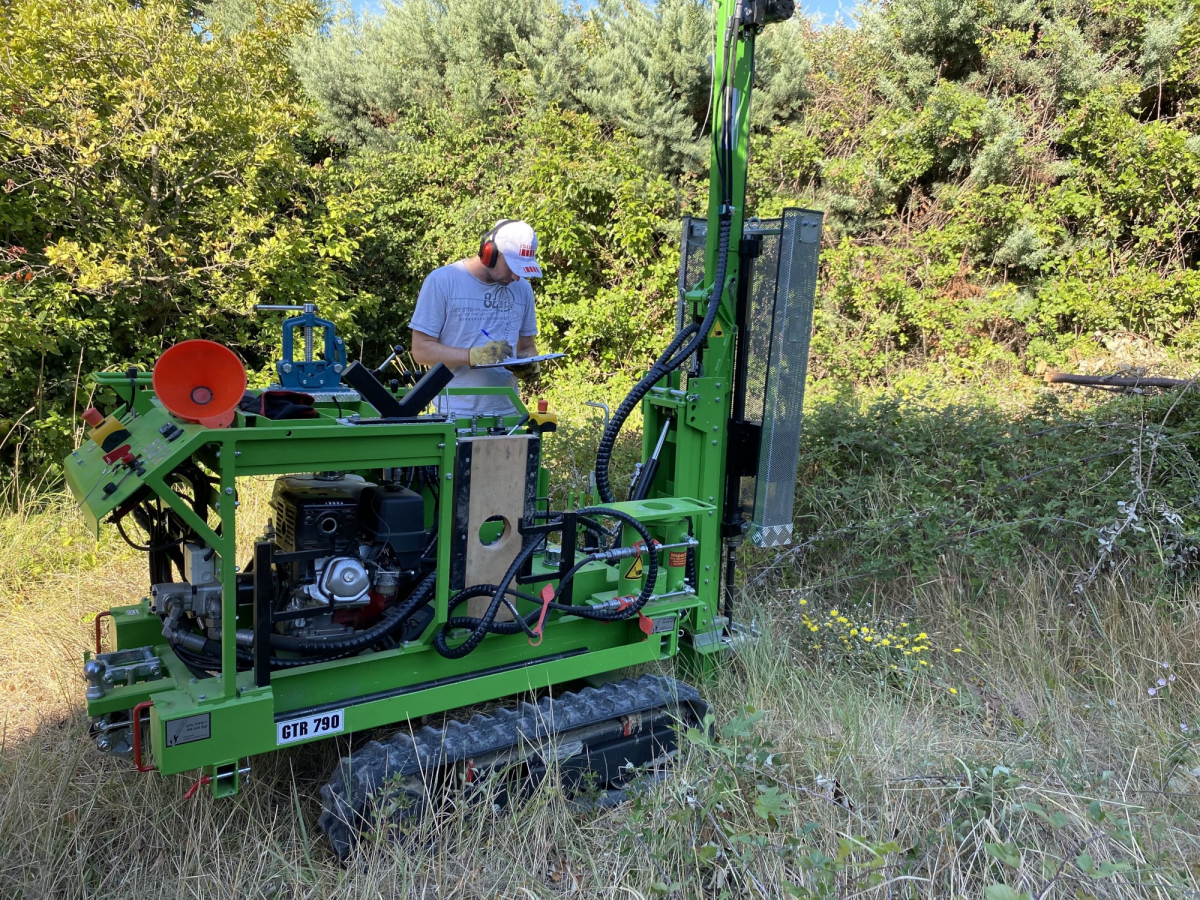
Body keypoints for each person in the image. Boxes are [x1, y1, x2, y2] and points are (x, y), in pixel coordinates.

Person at [409, 219, 542, 417]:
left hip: (509, 409)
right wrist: (473, 356)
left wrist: (527, 361)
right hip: (454, 412)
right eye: (512, 267)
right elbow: (421, 350)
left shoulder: (522, 288)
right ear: (490, 253)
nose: (516, 276)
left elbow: (526, 346)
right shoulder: (443, 281)